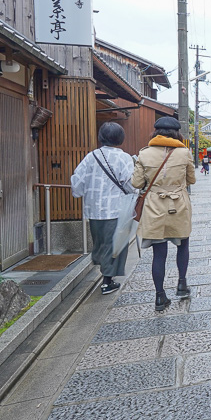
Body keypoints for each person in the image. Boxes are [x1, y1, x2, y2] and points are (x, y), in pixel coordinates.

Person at [132, 116, 196, 312]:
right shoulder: (184, 153)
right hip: (178, 204)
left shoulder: (144, 154)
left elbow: (136, 183)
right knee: (182, 244)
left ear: (155, 132)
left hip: (154, 206)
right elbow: (191, 179)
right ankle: (182, 284)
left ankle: (160, 297)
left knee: (159, 254)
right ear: (177, 134)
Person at [70, 122, 134, 295]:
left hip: (94, 210)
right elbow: (130, 184)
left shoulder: (90, 157)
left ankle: (105, 273)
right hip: (116, 209)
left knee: (101, 243)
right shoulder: (124, 158)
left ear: (101, 137)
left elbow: (77, 182)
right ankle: (107, 281)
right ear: (120, 138)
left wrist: (83, 192)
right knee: (114, 245)